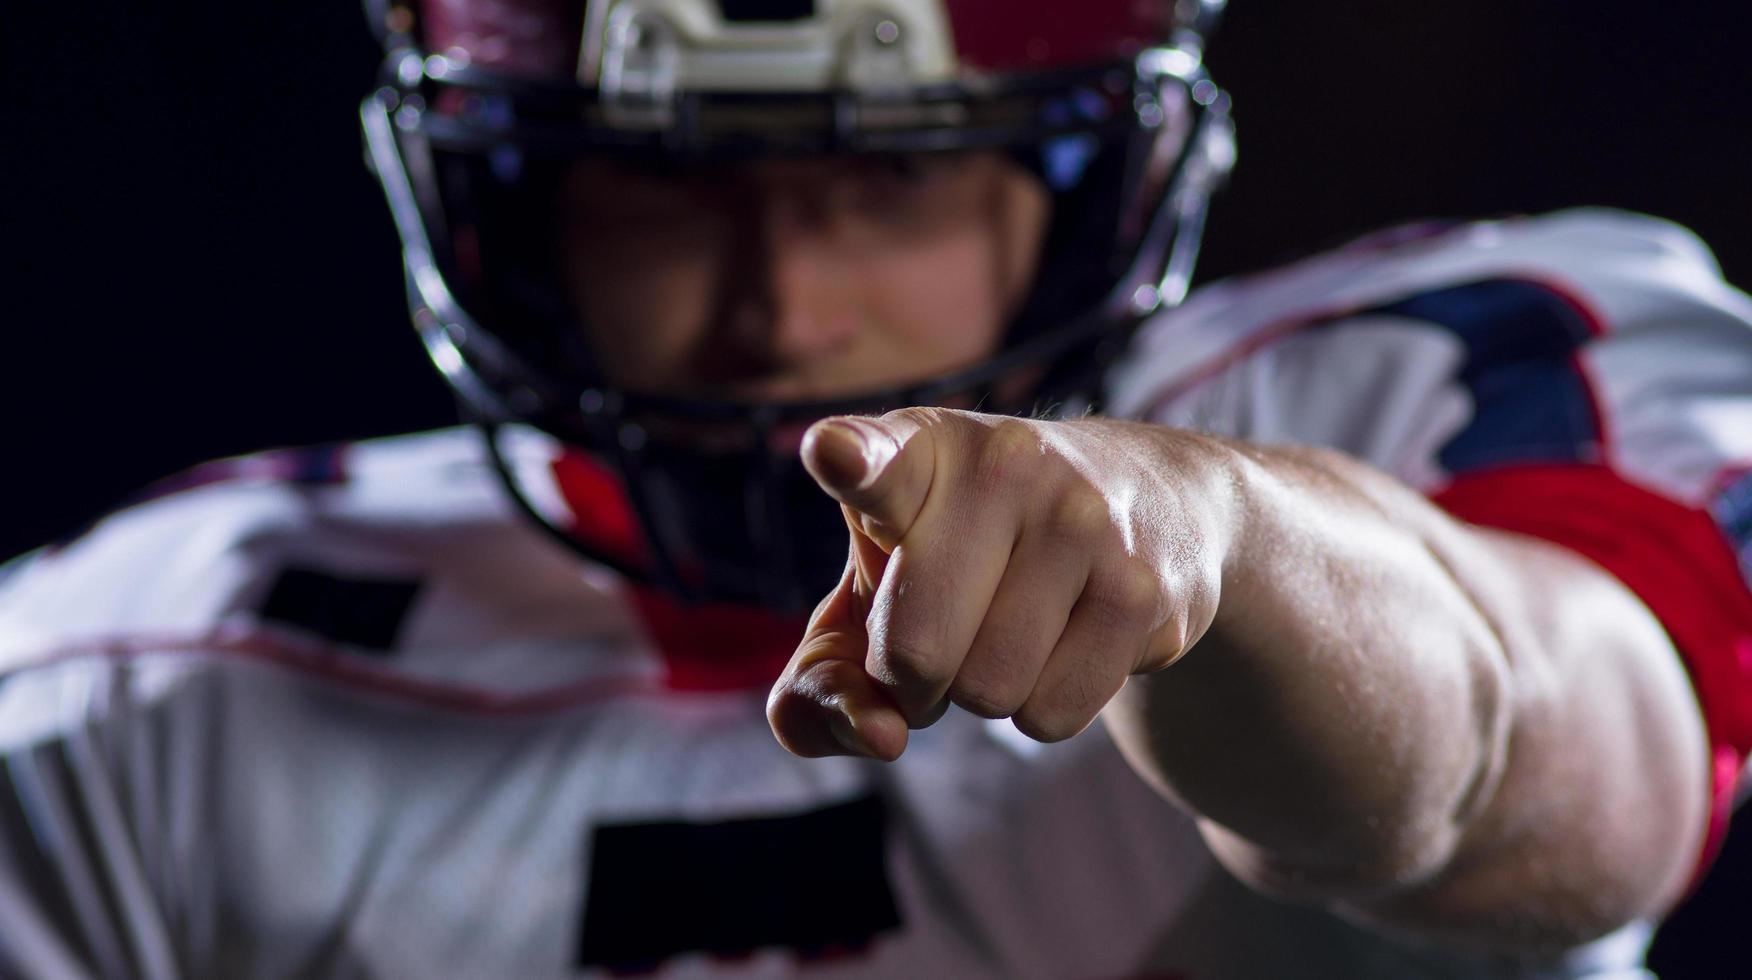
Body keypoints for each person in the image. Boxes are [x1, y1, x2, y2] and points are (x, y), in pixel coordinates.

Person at [2, 0, 1749, 977]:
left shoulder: (1394, 399)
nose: (783, 314)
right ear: (518, 209)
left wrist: (1219, 551)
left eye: (881, 192)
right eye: (669, 195)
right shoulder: (127, 688)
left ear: (1061, 183)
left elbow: (1579, 772)